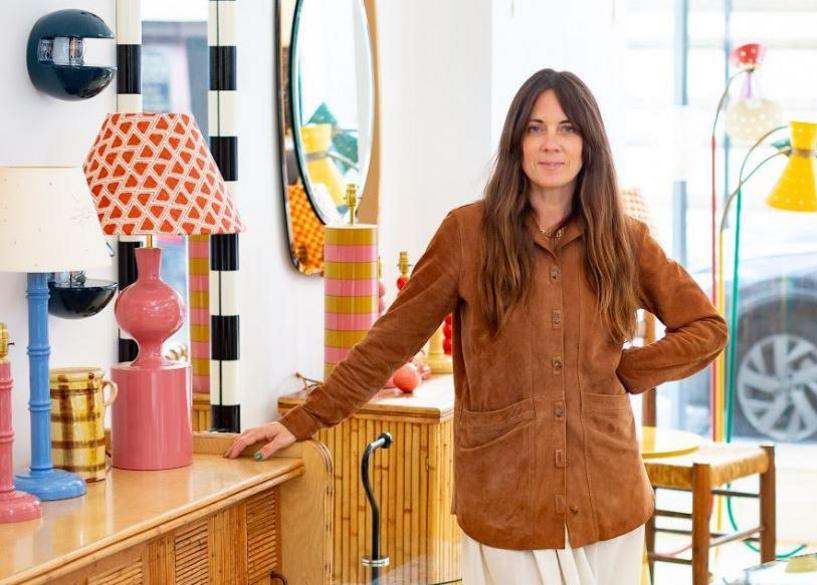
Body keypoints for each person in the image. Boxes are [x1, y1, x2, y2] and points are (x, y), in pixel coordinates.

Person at [226, 68, 727, 584]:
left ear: (589, 143)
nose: (550, 143)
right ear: (516, 141)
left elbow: (707, 327)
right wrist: (302, 421)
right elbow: (389, 342)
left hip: (608, 495)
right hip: (506, 500)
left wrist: (629, 371)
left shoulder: (625, 237)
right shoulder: (466, 233)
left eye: (567, 128)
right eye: (535, 128)